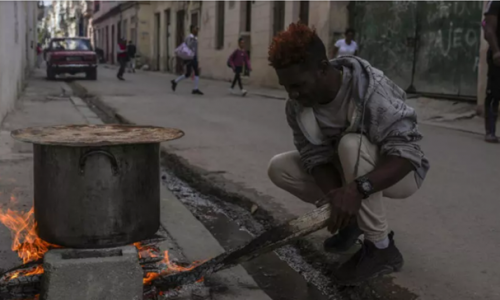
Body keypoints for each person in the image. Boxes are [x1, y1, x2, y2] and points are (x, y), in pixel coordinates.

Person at [266, 22, 430, 285]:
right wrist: (337, 198)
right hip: (349, 173)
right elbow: (313, 157)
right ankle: (352, 221)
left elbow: (408, 153)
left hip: (399, 174)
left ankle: (381, 247)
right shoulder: (296, 106)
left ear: (322, 68)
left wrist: (356, 190)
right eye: (286, 87)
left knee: (350, 144)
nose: (293, 94)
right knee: (279, 167)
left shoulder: (370, 90)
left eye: (297, 85)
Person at [483, 1, 500, 143]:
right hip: (498, 55)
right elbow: (488, 29)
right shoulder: (495, 3)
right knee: (494, 93)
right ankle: (490, 131)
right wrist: (496, 51)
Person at [171, 25, 203, 95]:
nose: (197, 31)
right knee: (196, 71)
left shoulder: (194, 38)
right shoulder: (190, 37)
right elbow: (188, 46)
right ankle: (195, 89)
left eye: (197, 29)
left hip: (192, 57)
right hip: (190, 57)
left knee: (188, 74)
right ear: (192, 30)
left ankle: (175, 81)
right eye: (195, 29)